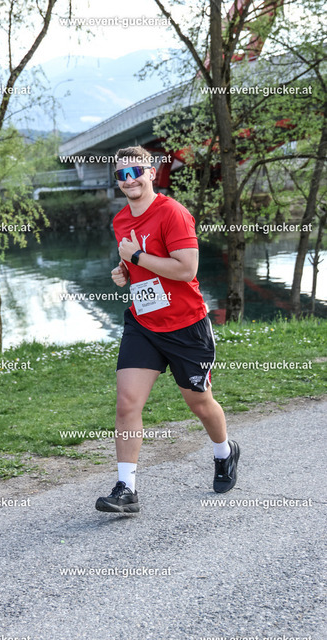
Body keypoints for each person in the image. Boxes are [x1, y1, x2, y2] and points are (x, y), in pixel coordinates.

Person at [95, 145, 240, 513]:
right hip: (143, 323)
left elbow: (186, 269)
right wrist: (124, 271)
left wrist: (136, 257)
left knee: (199, 403)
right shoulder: (120, 220)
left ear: (151, 173)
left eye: (136, 171)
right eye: (121, 174)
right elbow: (137, 264)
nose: (129, 179)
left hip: (186, 326)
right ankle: (126, 489)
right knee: (127, 402)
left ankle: (224, 451)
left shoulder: (173, 213)